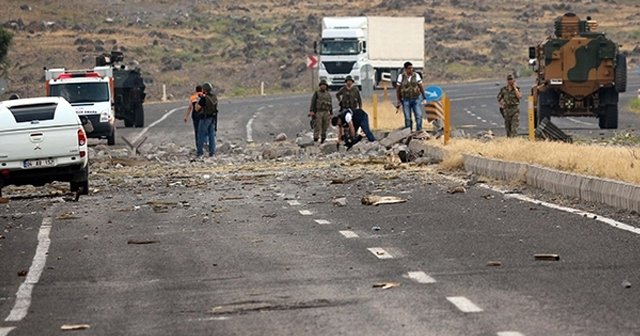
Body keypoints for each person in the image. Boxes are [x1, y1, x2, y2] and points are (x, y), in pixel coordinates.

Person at [396, 61, 428, 131]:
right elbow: (398, 89)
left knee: (419, 116)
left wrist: (424, 97)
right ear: (405, 69)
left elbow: (421, 86)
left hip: (416, 99)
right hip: (405, 100)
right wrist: (398, 100)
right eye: (409, 68)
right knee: (407, 118)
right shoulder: (401, 77)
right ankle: (408, 132)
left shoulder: (416, 75)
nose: (411, 70)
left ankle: (419, 131)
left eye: (412, 68)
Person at [194, 82, 218, 157]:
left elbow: (197, 108)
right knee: (211, 136)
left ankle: (200, 152)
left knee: (201, 135)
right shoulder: (214, 97)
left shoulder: (204, 98)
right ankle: (212, 152)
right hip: (213, 118)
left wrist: (197, 101)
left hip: (205, 118)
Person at [308, 79, 333, 143]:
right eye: (322, 85)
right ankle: (316, 138)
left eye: (324, 85)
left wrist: (331, 112)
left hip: (326, 112)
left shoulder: (328, 94)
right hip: (319, 111)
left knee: (325, 125)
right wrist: (311, 111)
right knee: (317, 125)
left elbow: (330, 103)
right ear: (320, 86)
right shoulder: (317, 93)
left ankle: (323, 138)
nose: (323, 87)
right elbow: (313, 102)